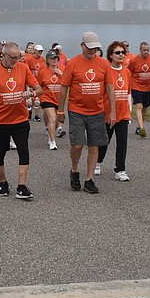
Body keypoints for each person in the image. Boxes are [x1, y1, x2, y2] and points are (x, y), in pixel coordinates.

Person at [0, 41, 42, 200]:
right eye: (14, 58)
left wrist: (31, 95)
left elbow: (39, 89)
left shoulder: (23, 68)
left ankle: (21, 187)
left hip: (20, 119)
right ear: (4, 55)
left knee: (23, 151)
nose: (17, 61)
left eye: (19, 57)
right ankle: (3, 183)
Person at [57, 32, 114, 195]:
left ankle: (89, 179)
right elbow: (63, 88)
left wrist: (113, 112)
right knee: (77, 144)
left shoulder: (103, 63)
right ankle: (75, 170)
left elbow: (109, 87)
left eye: (96, 48)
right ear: (82, 45)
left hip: (97, 111)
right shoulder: (73, 63)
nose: (93, 51)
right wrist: (60, 110)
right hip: (77, 110)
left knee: (93, 145)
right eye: (90, 48)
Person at [96, 41, 132, 180]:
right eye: (117, 52)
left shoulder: (126, 71)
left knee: (122, 142)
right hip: (108, 113)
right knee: (105, 140)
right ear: (110, 55)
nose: (121, 55)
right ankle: (98, 162)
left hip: (123, 114)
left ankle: (120, 169)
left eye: (123, 52)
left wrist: (129, 112)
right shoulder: (106, 71)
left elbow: (128, 93)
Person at [128, 41, 150, 138]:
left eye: (147, 50)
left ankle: (139, 125)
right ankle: (142, 128)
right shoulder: (134, 60)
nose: (146, 52)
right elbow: (128, 73)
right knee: (139, 106)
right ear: (140, 50)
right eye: (144, 50)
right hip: (136, 85)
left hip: (147, 87)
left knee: (145, 106)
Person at [37, 50, 64, 150]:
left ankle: (50, 134)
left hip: (59, 99)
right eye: (52, 59)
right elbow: (39, 85)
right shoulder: (43, 72)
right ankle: (53, 142)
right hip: (47, 98)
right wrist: (36, 97)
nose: (54, 60)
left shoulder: (63, 69)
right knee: (52, 118)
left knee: (57, 121)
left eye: (56, 58)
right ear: (47, 60)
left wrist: (61, 74)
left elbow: (69, 83)